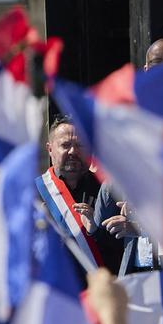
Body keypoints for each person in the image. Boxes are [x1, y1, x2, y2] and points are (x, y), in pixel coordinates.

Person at [38, 117, 123, 277]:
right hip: (58, 289)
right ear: (50, 149)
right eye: (65, 145)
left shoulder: (108, 190)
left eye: (80, 145)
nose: (73, 152)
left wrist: (95, 231)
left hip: (99, 290)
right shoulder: (35, 193)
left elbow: (121, 248)